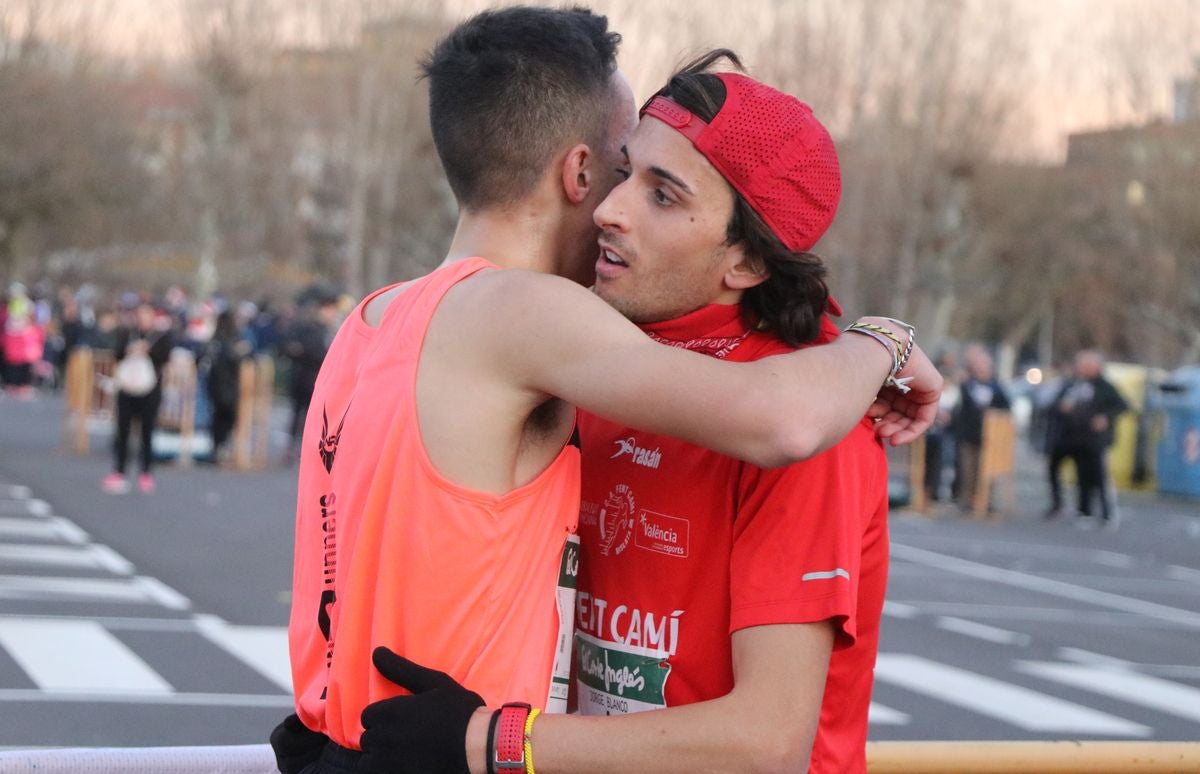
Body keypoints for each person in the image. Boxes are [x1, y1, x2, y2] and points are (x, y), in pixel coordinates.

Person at [269, 9, 941, 774]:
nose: (614, 210)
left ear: (747, 263)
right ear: (579, 172)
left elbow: (767, 744)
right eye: (625, 174)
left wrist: (489, 742)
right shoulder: (579, 354)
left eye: (661, 193)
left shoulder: (816, 416)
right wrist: (888, 341)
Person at [1046, 349, 1128, 528]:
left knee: (1098, 477)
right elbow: (1054, 405)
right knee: (1078, 476)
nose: (1080, 367)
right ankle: (1083, 511)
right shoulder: (1072, 384)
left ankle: (1107, 514)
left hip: (1094, 440)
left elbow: (1123, 405)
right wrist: (1061, 408)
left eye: (1084, 364)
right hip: (1072, 438)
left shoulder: (1105, 387)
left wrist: (1105, 417)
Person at [102, 300, 174, 494]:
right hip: (127, 389)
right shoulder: (127, 334)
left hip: (150, 390)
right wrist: (129, 350)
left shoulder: (161, 336)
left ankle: (146, 472)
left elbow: (165, 357)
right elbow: (116, 354)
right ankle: (119, 471)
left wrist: (148, 351)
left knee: (147, 432)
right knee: (123, 432)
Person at [950, 343, 1010, 512]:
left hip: (989, 436)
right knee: (967, 468)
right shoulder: (967, 384)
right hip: (968, 432)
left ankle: (985, 500)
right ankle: (966, 499)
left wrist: (994, 412)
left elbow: (1006, 407)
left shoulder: (997, 387)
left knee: (985, 470)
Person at [280, 290, 338, 464]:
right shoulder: (313, 329)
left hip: (305, 376)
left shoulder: (319, 328)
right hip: (308, 377)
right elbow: (311, 351)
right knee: (303, 414)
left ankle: (296, 446)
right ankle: (297, 447)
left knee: (302, 414)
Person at [202, 309, 248, 464]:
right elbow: (235, 358)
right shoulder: (232, 341)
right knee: (227, 416)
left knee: (217, 416)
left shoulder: (214, 340)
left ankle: (217, 447)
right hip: (228, 384)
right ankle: (220, 447)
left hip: (215, 384)